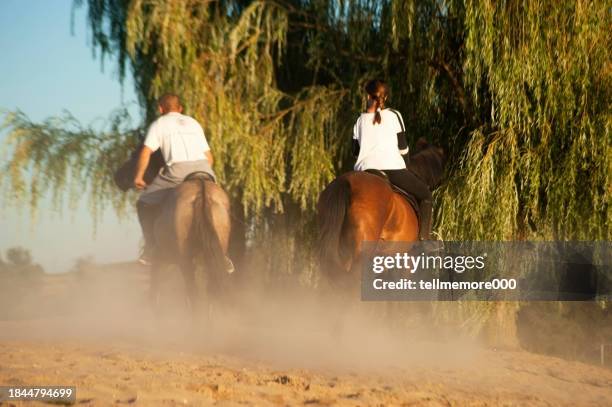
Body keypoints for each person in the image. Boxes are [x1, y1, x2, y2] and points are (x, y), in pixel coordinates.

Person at [134, 93, 217, 264]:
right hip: (204, 169)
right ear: (180, 108)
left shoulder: (159, 124)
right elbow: (209, 157)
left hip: (178, 171)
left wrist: (139, 176)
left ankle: (150, 247)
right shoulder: (193, 123)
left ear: (160, 108)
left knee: (143, 202)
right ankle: (223, 255)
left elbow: (145, 152)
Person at [352, 79, 433, 240]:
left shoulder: (359, 121)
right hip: (393, 169)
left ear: (367, 96)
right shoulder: (395, 115)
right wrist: (406, 165)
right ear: (386, 98)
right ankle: (425, 239)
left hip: (365, 171)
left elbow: (355, 152)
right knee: (426, 195)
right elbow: (403, 148)